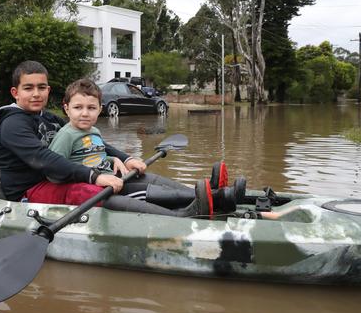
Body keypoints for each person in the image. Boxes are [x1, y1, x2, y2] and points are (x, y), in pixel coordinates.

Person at [0, 61, 237, 217]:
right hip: (31, 190)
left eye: (41, 87)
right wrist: (95, 175)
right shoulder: (13, 124)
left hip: (60, 178)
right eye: (29, 88)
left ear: (49, 90)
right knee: (99, 190)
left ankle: (210, 195)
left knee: (134, 175)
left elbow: (90, 139)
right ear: (15, 92)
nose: (36, 93)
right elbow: (43, 159)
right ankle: (180, 215)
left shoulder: (47, 117)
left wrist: (125, 157)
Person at [47, 78, 241, 217]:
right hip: (95, 189)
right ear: (66, 108)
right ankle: (191, 209)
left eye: (91, 108)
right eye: (78, 107)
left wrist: (114, 159)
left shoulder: (94, 131)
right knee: (141, 191)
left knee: (145, 180)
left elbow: (92, 155)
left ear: (100, 109)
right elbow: (55, 172)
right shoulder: (66, 135)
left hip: (113, 178)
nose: (84, 113)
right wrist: (93, 176)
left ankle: (213, 193)